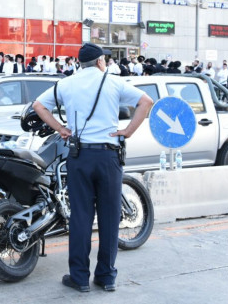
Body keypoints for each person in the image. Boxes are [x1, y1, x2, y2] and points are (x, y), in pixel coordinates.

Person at [32, 43, 153, 293]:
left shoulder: (66, 84)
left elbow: (38, 106)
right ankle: (106, 276)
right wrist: (127, 131)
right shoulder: (113, 82)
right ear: (100, 62)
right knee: (109, 218)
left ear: (79, 63)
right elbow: (146, 101)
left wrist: (61, 129)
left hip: (80, 155)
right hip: (109, 157)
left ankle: (79, 277)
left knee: (81, 217)